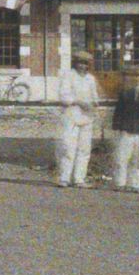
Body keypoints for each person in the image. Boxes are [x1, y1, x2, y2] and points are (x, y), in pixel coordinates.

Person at [56, 49, 99, 187]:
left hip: (87, 116)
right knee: (68, 147)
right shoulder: (68, 76)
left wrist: (94, 103)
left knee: (84, 148)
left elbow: (94, 96)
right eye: (80, 63)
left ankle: (79, 178)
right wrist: (79, 102)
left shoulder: (90, 79)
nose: (82, 66)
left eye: (85, 63)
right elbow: (64, 96)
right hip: (72, 114)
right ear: (75, 63)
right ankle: (64, 178)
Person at [111, 77, 139, 190]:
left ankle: (136, 184)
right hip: (127, 129)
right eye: (134, 76)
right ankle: (120, 183)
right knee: (121, 157)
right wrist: (117, 126)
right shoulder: (125, 93)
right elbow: (118, 111)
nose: (137, 79)